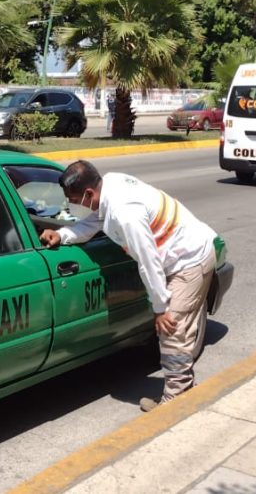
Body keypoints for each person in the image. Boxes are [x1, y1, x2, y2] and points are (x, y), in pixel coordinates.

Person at [39, 160, 220, 412]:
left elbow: (148, 260)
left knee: (171, 328)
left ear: (90, 193)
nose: (74, 205)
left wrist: (160, 307)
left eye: (75, 199)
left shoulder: (125, 213)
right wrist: (63, 235)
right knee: (174, 327)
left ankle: (176, 400)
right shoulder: (110, 185)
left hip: (188, 261)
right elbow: (96, 221)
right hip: (179, 255)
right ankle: (182, 391)